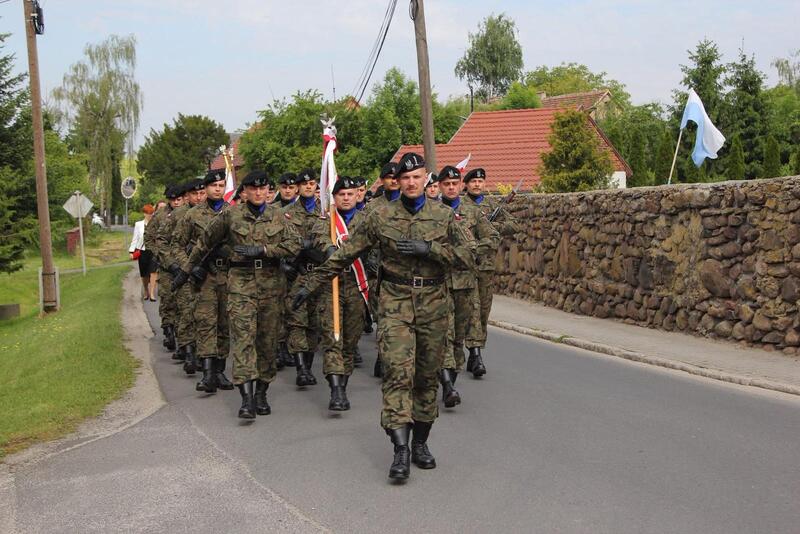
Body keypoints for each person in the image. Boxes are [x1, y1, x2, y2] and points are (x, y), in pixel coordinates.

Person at [294, 152, 474, 481]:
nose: (410, 182)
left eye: (417, 176)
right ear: (398, 181)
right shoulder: (380, 215)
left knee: (425, 377)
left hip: (433, 305)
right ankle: (400, 450)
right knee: (397, 374)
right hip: (394, 304)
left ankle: (420, 442)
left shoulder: (444, 217)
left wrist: (431, 250)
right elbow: (346, 253)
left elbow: (469, 256)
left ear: (425, 178)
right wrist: (309, 284)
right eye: (405, 178)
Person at [183, 170, 302, 420]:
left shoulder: (279, 216)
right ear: (245, 191)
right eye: (252, 189)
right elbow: (205, 242)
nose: (258, 193)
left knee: (267, 342)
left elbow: (294, 245)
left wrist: (264, 249)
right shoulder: (230, 215)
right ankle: (246, 398)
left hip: (271, 286)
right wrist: (186, 270)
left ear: (268, 191)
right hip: (240, 286)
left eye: (263, 189)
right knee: (243, 341)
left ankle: (261, 392)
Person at [438, 166, 499, 404]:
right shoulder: (430, 211)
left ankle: (452, 371)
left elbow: (493, 237)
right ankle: (447, 385)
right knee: (445, 332)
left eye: (455, 183)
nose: (451, 187)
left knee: (458, 335)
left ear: (459, 185)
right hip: (439, 283)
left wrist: (472, 251)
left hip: (465, 283)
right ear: (440, 186)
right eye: (446, 184)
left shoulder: (472, 212)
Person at [172, 169, 234, 394]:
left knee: (224, 325)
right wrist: (191, 266)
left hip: (228, 276)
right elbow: (177, 245)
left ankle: (220, 370)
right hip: (204, 277)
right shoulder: (193, 215)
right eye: (213, 186)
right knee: (206, 323)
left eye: (221, 186)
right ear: (205, 189)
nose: (217, 189)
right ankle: (208, 373)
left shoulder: (233, 213)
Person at [309, 176, 367, 411]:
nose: (346, 198)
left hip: (357, 286)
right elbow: (318, 239)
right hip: (330, 285)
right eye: (341, 194)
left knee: (350, 342)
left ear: (357, 196)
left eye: (350, 194)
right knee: (333, 339)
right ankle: (336, 390)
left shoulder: (367, 221)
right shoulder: (326, 221)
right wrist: (329, 247)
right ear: (334, 198)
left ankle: (343, 381)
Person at [461, 168, 521, 377]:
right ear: (466, 185)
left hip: (486, 266)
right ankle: (475, 354)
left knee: (484, 310)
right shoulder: (460, 206)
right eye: (473, 181)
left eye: (480, 181)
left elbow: (514, 225)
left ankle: (475, 350)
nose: (477, 185)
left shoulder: (493, 205)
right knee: (473, 309)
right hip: (467, 266)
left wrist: (491, 226)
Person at [161, 178, 206, 374]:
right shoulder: (177, 215)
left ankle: (207, 357)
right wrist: (173, 265)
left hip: (208, 272)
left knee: (207, 316)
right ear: (187, 195)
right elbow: (162, 242)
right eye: (194, 193)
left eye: (201, 192)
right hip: (183, 271)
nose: (198, 196)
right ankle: (189, 353)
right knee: (187, 312)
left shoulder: (217, 213)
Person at [285, 169, 323, 385]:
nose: (309, 186)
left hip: (318, 273)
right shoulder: (287, 213)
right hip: (297, 273)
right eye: (304, 183)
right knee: (297, 321)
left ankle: (307, 366)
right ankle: (301, 369)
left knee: (314, 323)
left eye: (312, 183)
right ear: (297, 187)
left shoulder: (326, 212)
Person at [148, 185, 184, 352]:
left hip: (184, 262)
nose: (176, 202)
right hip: (166, 264)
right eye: (173, 199)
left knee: (182, 301)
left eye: (179, 199)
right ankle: (168, 330)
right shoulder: (160, 215)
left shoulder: (187, 213)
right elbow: (149, 237)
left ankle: (182, 335)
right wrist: (158, 254)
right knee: (168, 298)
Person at [130, 204, 158, 300]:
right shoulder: (138, 224)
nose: (149, 215)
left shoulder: (156, 224)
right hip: (142, 251)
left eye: (151, 213)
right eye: (147, 213)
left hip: (153, 251)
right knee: (144, 274)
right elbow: (135, 238)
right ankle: (146, 290)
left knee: (153, 272)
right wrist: (131, 251)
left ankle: (152, 293)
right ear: (144, 213)